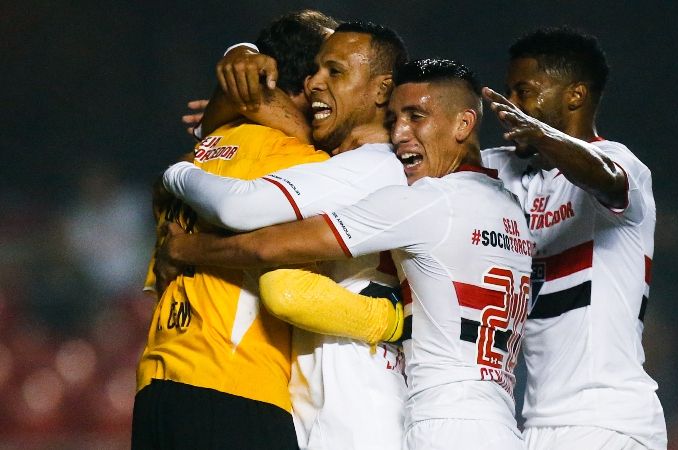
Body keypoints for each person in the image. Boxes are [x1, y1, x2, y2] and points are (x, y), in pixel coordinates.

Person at [160, 58, 531, 450]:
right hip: (500, 422)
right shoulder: (512, 210)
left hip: (443, 424)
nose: (400, 134)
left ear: (463, 124)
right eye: (394, 120)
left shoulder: (425, 202)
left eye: (415, 116)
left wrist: (187, 238)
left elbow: (267, 246)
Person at [162, 22, 411, 450]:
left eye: (334, 72)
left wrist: (179, 171)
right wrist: (234, 102)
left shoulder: (375, 166)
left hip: (362, 402)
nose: (314, 83)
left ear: (380, 90)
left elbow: (240, 210)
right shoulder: (335, 164)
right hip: (307, 404)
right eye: (313, 71)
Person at [132, 10, 336, 450]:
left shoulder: (198, 154)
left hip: (156, 388)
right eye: (334, 70)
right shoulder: (301, 165)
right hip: (234, 387)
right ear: (310, 84)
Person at [480, 27, 667, 449]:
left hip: (607, 420)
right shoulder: (515, 174)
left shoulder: (621, 164)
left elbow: (607, 179)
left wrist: (541, 136)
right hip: (537, 423)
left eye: (525, 91)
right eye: (509, 92)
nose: (513, 106)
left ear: (576, 95)